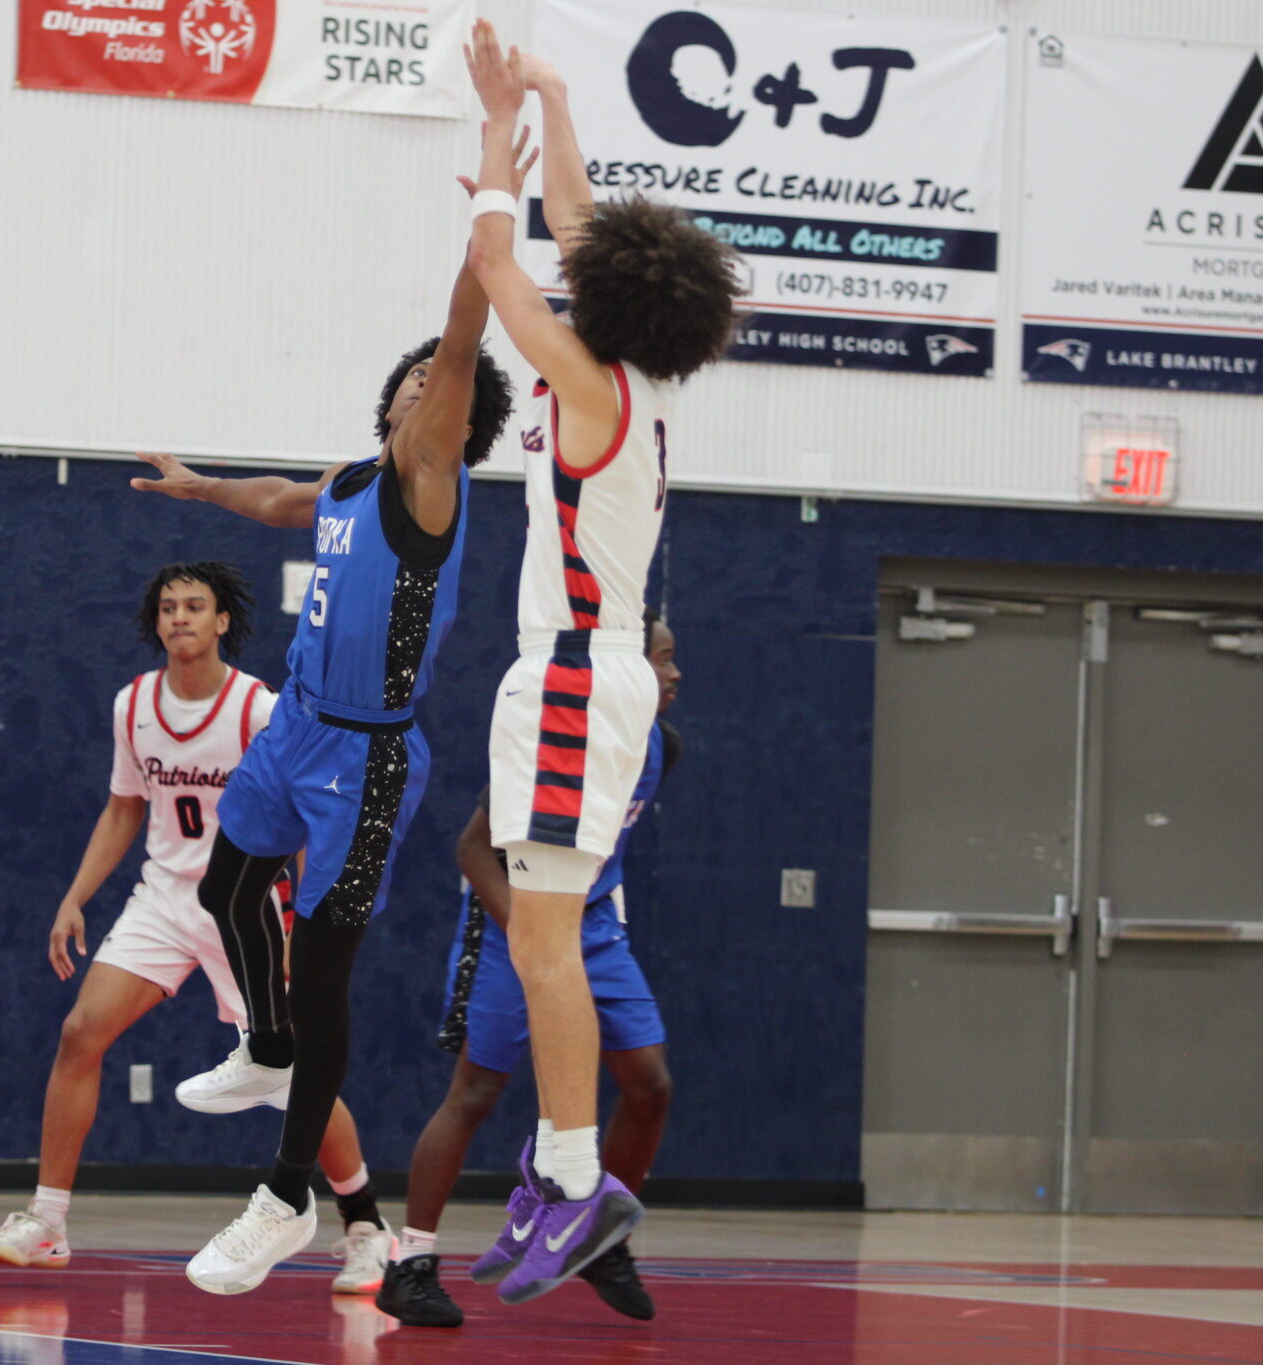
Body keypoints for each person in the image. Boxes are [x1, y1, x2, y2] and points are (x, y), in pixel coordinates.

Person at [125, 144, 525, 1295]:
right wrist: (201, 486)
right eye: (407, 382)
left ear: (452, 419)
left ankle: (287, 1195)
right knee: (223, 888)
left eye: (434, 388)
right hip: (291, 726)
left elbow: (460, 340)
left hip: (368, 756)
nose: (419, 389)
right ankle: (263, 1049)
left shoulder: (429, 484)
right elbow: (280, 502)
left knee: (324, 976)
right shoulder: (354, 480)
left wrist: (483, 235)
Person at [459, 21, 741, 1302]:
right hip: (581, 664)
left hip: (573, 668)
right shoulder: (639, 377)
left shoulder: (583, 377)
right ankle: (565, 1168)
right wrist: (556, 98)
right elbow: (579, 236)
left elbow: (503, 265)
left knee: (543, 939)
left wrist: (491, 144)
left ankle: (572, 1181)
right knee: (537, 934)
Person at [0, 563, 395, 1292]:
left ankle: (364, 1224)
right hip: (164, 896)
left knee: (287, 1073)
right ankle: (46, 1221)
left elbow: (301, 819)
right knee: (81, 1031)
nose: (180, 617)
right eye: (168, 606)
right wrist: (75, 895)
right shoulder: (132, 703)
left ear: (223, 619)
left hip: (247, 903)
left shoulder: (260, 708)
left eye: (195, 605)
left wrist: (299, 917)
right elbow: (123, 809)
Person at [379, 611, 682, 1329]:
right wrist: (538, 942)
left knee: (649, 1084)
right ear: (624, 666)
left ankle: (597, 1236)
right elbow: (472, 848)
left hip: (596, 925)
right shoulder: (557, 731)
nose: (675, 673)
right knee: (476, 1090)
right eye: (663, 658)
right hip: (514, 921)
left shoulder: (661, 744)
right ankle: (410, 1261)